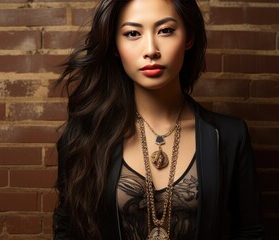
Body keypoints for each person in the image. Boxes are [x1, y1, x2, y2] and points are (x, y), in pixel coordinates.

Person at [52, 0, 264, 239]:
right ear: (114, 45)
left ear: (188, 38)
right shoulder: (85, 135)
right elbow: (68, 229)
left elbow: (248, 231)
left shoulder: (228, 136)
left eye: (165, 31)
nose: (151, 49)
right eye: (132, 33)